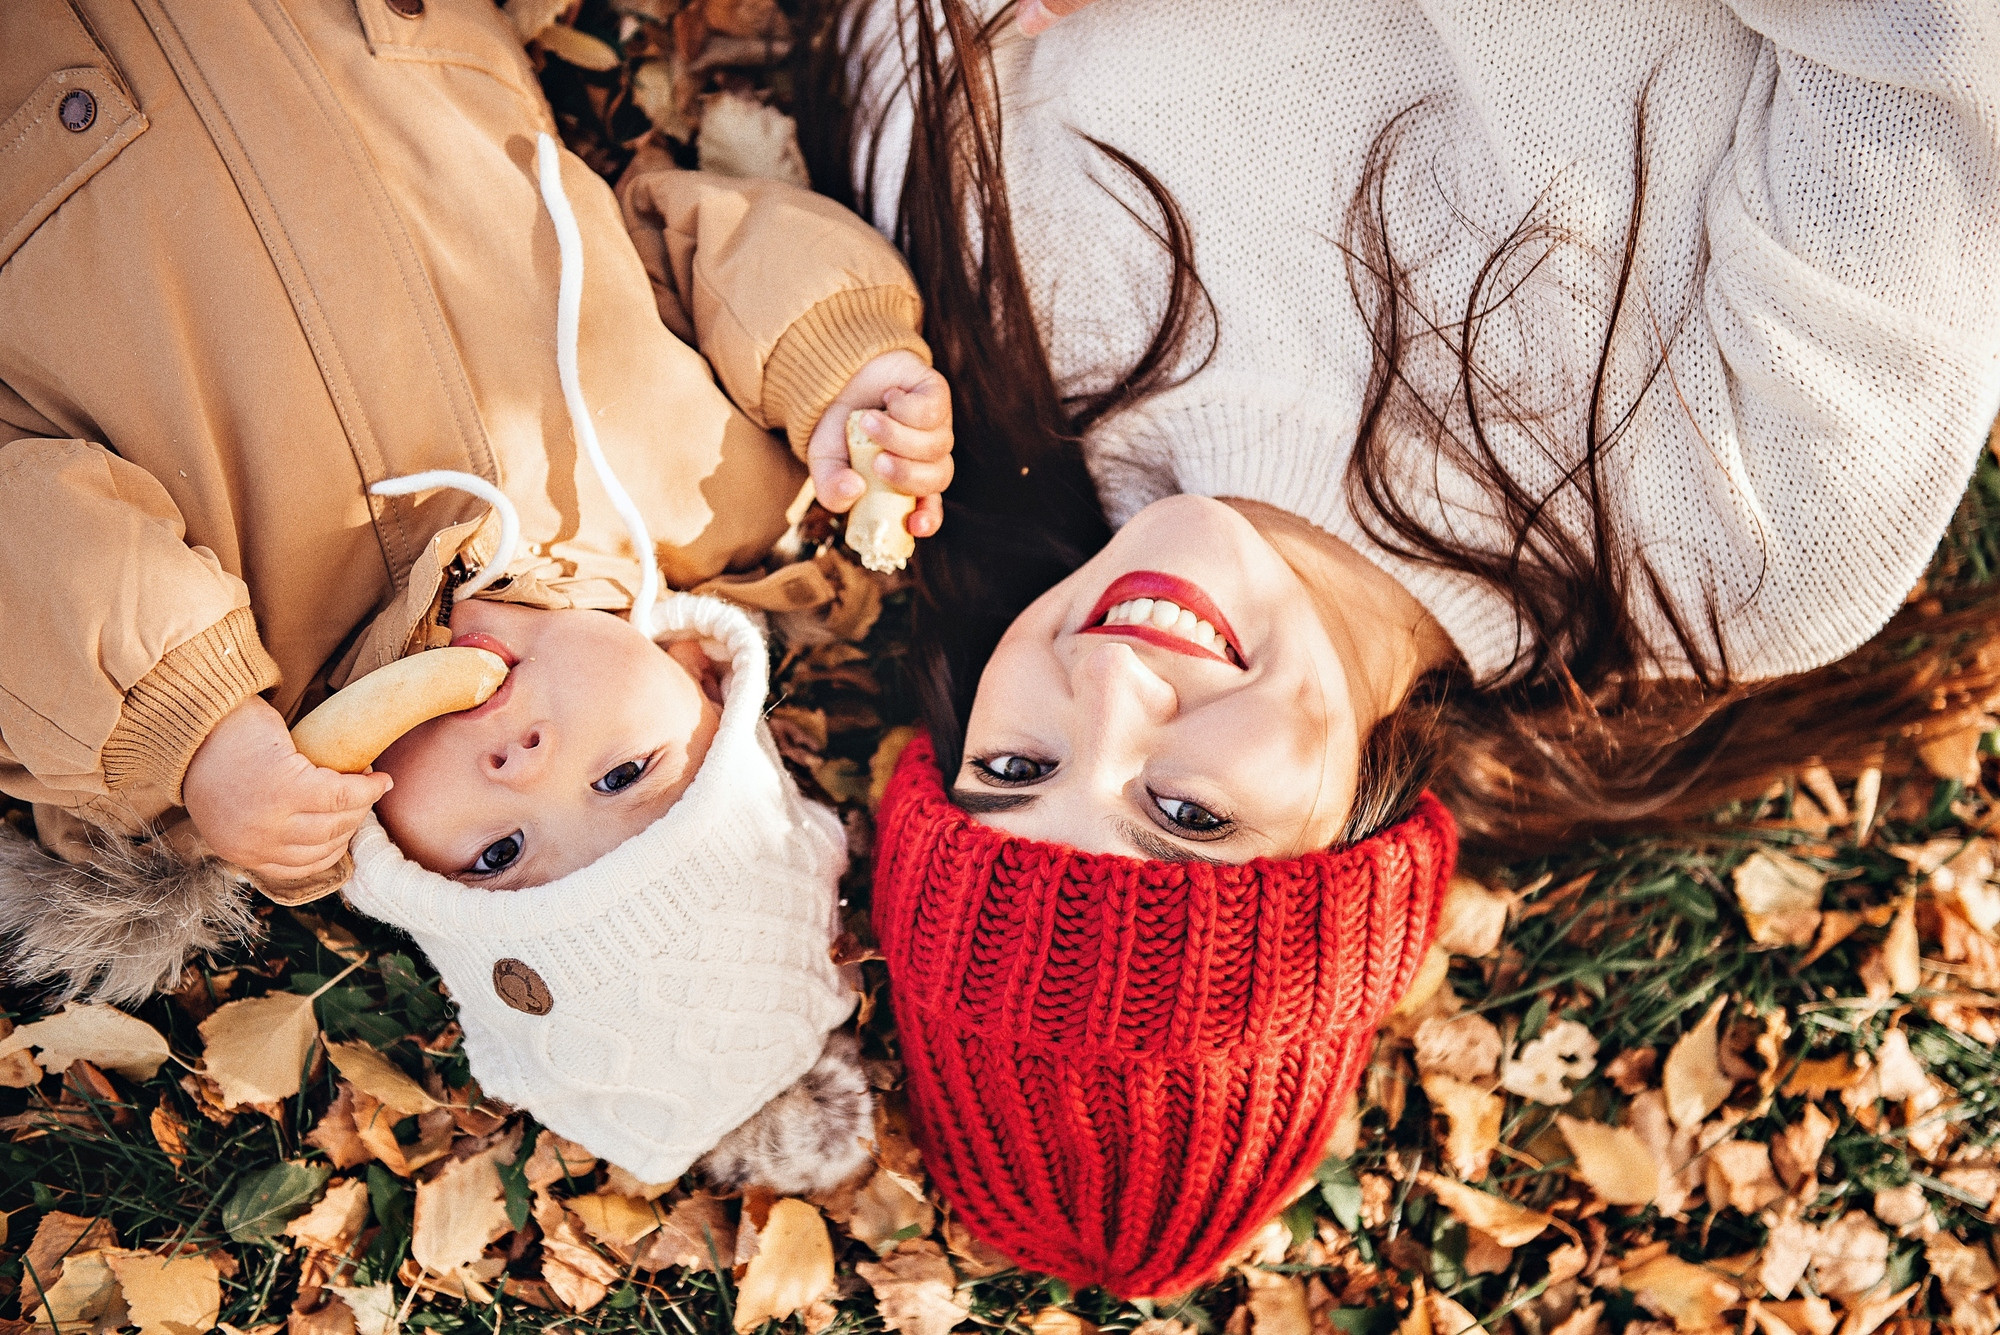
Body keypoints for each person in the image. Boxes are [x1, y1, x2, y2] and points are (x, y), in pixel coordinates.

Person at [813, 0, 2000, 1296]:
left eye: (1014, 768)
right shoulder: (1739, 533)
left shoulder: (990, 312)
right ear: (1352, 845)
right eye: (1187, 812)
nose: (1105, 685)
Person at [0, 0, 951, 1191]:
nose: (527, 764)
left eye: (499, 852)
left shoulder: (247, 720)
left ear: (398, 868)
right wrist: (841, 370)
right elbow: (689, 236)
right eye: (623, 775)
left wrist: (187, 728)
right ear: (701, 674)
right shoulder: (695, 487)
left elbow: (29, 533)